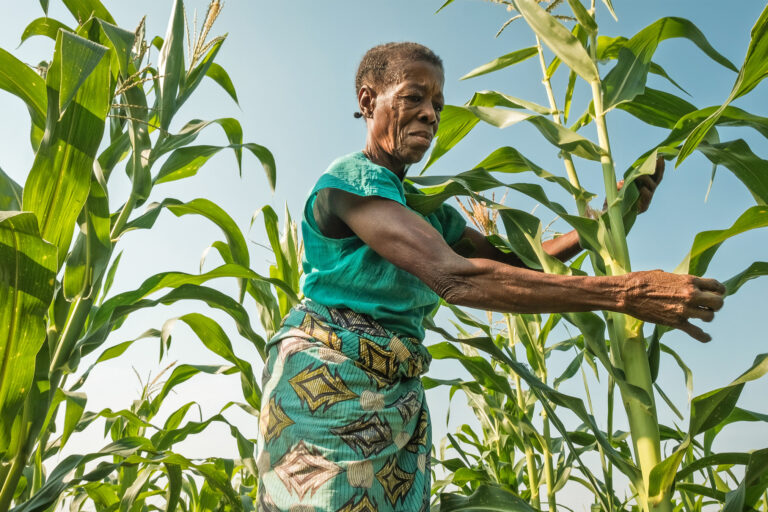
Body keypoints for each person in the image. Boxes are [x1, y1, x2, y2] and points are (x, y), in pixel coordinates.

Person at [255, 42, 725, 512]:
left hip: (391, 397)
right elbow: (453, 277)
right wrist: (625, 293)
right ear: (367, 101)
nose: (430, 115)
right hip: (328, 393)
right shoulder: (349, 183)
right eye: (413, 98)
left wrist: (606, 221)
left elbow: (514, 261)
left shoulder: (428, 210)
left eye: (437, 105)